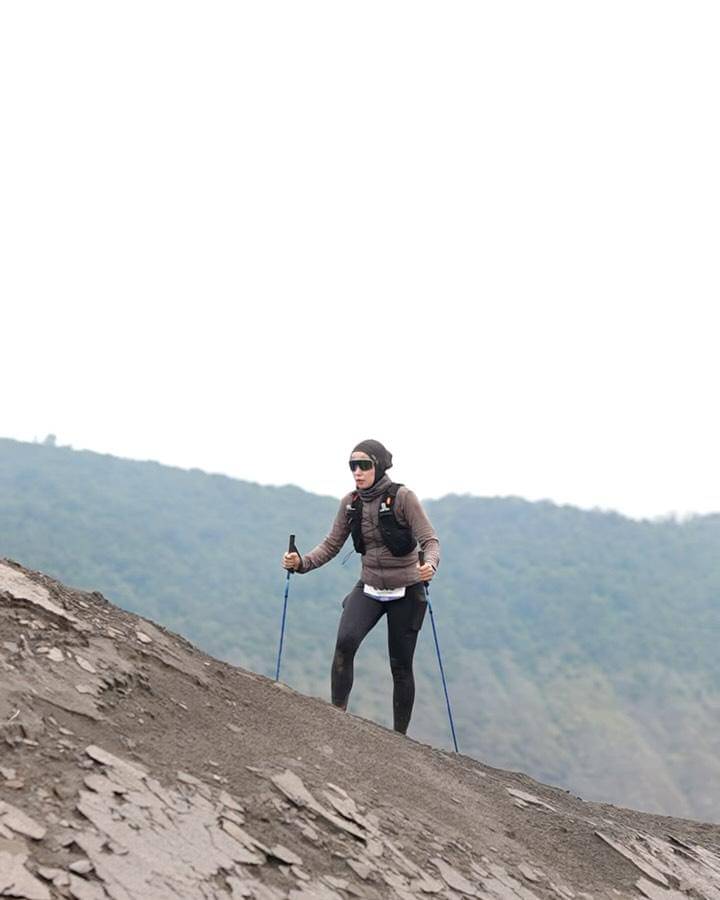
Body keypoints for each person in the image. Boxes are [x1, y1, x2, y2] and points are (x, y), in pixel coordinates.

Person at [282, 439, 440, 734]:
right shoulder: (350, 503)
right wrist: (301, 563)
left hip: (406, 590)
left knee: (400, 666)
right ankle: (336, 717)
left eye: (364, 465)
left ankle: (399, 739)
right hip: (369, 587)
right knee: (344, 644)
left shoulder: (403, 498)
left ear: (378, 466)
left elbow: (430, 541)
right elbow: (331, 545)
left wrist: (429, 564)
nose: (357, 471)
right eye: (352, 465)